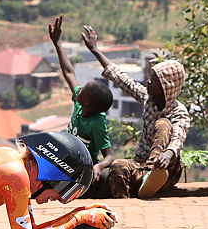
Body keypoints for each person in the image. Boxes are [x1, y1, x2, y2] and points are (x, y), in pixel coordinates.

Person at [81, 25, 190, 199]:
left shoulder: (179, 112)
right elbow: (121, 78)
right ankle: (125, 208)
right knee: (117, 166)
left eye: (153, 80)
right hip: (141, 164)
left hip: (166, 168)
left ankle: (152, 175)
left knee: (162, 124)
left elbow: (178, 138)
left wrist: (167, 156)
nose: (147, 81)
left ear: (165, 86)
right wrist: (95, 50)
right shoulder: (147, 98)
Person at [48, 16, 115, 193]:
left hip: (80, 169)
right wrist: (58, 43)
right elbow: (69, 72)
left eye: (82, 91)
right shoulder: (80, 104)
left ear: (89, 106)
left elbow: (109, 156)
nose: (78, 90)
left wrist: (98, 167)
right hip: (63, 158)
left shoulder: (97, 123)